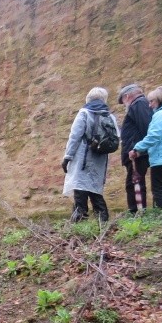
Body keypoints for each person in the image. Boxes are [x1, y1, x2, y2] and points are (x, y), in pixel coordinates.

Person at [61, 87, 118, 222]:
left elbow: (75, 137)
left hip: (83, 157)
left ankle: (79, 221)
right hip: (100, 158)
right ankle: (103, 221)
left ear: (88, 98)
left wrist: (67, 157)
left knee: (80, 189)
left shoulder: (84, 113)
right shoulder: (110, 116)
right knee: (95, 190)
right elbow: (116, 137)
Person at [130, 85, 162, 209]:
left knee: (158, 189)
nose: (149, 105)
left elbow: (153, 137)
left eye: (152, 101)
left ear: (160, 100)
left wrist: (137, 148)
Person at [118, 84, 154, 214]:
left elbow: (146, 127)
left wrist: (139, 149)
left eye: (122, 101)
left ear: (127, 96)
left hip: (137, 153)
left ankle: (136, 213)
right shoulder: (140, 105)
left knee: (134, 182)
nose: (123, 105)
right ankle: (136, 211)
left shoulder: (139, 104)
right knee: (133, 182)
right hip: (136, 152)